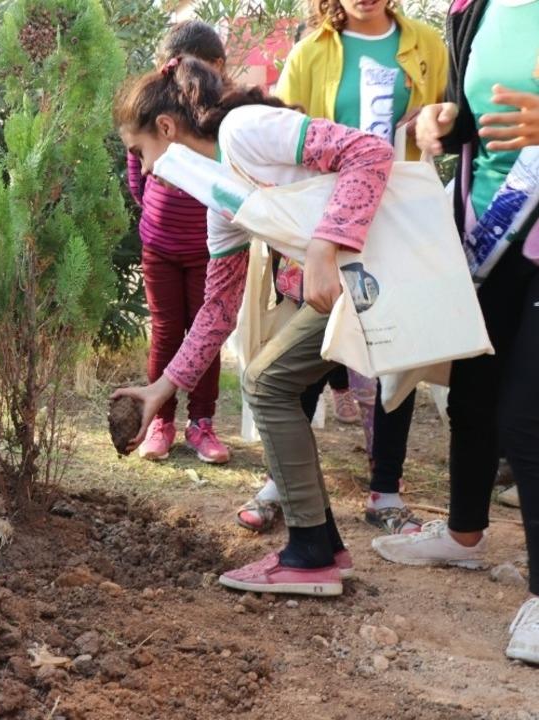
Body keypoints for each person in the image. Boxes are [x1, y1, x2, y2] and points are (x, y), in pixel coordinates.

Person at [113, 54, 396, 596]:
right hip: (338, 286)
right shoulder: (219, 198)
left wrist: (324, 243)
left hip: (373, 272)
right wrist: (161, 389)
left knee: (265, 382)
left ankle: (312, 552)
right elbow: (217, 310)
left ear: (167, 129)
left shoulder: (246, 131)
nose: (144, 170)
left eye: (140, 152)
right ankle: (323, 545)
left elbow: (370, 151)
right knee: (271, 382)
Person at [237, 0, 449, 535]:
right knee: (304, 349)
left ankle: (386, 494)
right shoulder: (310, 52)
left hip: (396, 221)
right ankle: (281, 483)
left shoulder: (427, 45)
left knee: (389, 359)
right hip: (322, 227)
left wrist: (432, 121)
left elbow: (443, 125)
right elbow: (283, 141)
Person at [371, 0, 539, 665]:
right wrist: (443, 119)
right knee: (472, 390)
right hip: (489, 230)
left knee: (527, 418)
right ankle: (465, 533)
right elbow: (470, 114)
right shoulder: (473, 8)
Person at [125, 20, 231, 465]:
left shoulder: (222, 118)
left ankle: (201, 423)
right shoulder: (154, 114)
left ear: (217, 69)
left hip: (209, 249)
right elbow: (137, 174)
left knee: (204, 337)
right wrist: (155, 213)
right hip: (160, 248)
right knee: (167, 332)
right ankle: (161, 422)